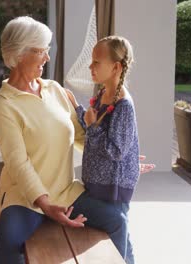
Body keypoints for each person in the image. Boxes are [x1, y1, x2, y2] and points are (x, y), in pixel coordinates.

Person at [0, 16, 144, 264]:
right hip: (24, 198)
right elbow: (18, 164)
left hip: (66, 191)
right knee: (8, 242)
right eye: (41, 51)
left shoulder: (55, 90)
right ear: (19, 54)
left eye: (47, 51)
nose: (47, 58)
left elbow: (84, 136)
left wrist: (123, 160)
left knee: (117, 220)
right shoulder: (4, 107)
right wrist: (46, 205)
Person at [65, 35, 143, 264]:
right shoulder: (102, 95)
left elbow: (116, 150)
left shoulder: (123, 105)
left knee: (118, 235)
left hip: (113, 188)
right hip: (98, 183)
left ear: (116, 67)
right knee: (121, 234)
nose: (90, 66)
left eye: (96, 62)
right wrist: (77, 108)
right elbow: (93, 127)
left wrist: (90, 125)